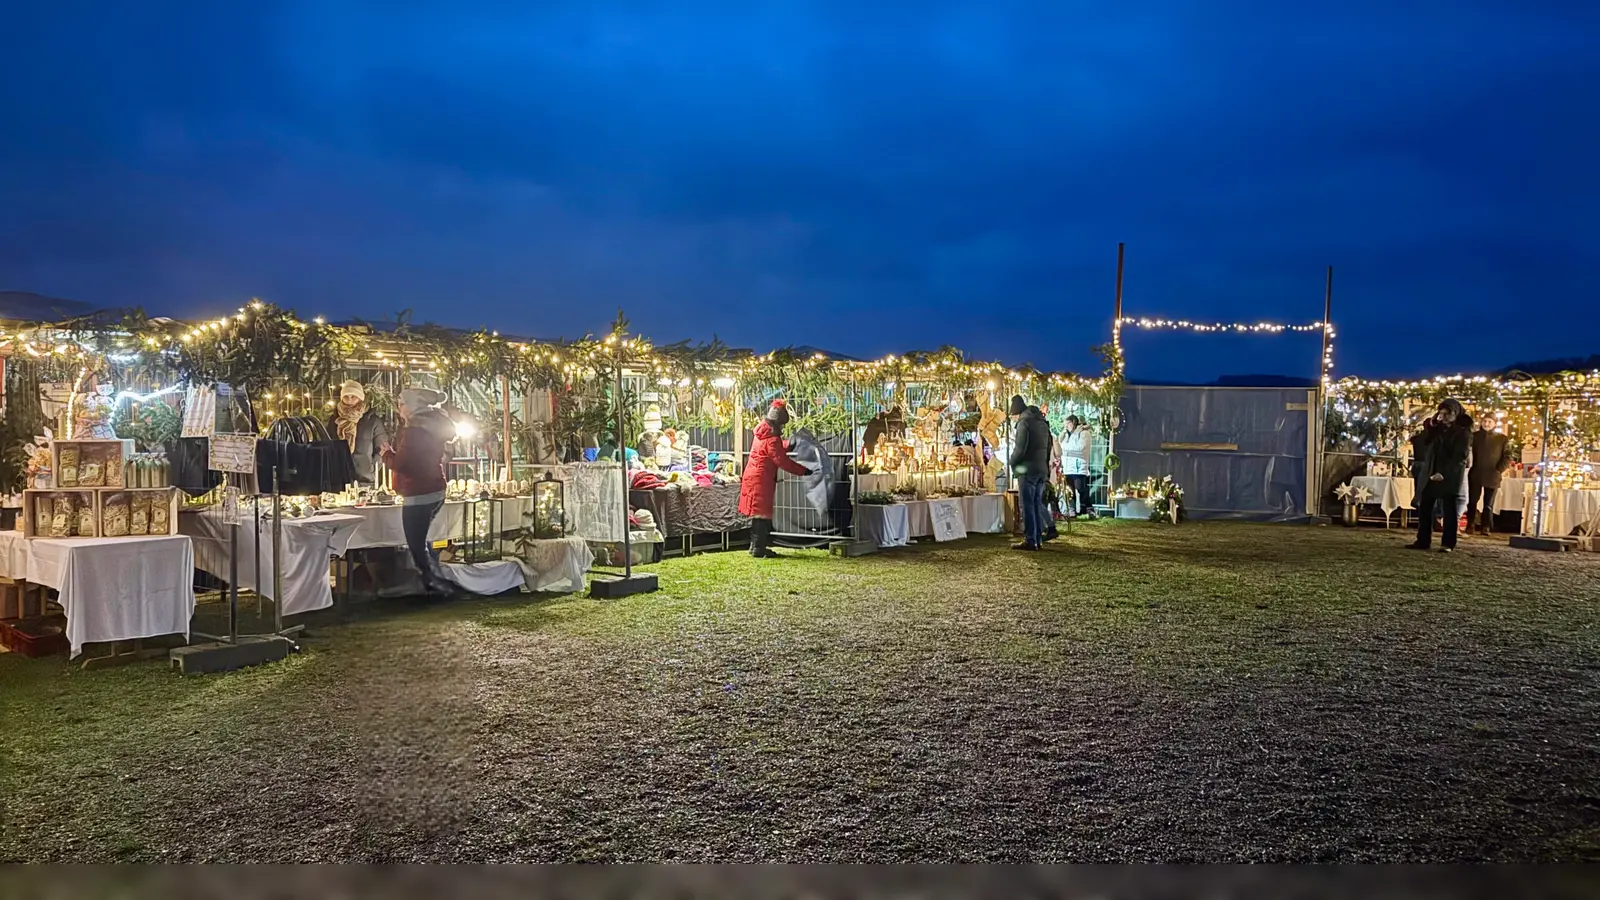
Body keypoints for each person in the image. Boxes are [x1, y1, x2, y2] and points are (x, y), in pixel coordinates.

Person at [381, 387, 454, 594]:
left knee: (416, 542)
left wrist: (387, 454)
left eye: (401, 404)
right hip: (434, 488)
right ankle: (430, 581)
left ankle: (434, 584)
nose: (399, 408)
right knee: (423, 539)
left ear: (412, 406)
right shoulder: (434, 426)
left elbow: (403, 464)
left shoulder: (414, 431)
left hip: (418, 492)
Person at [739, 400, 813, 558]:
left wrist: (788, 444)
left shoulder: (763, 433)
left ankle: (755, 547)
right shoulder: (771, 438)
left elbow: (773, 448)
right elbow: (781, 460)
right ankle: (759, 548)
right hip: (761, 479)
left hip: (755, 477)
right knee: (762, 514)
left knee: (759, 514)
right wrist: (804, 471)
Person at [1409, 398, 1473, 553]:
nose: (1444, 417)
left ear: (1455, 414)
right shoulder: (1439, 428)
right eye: (1441, 413)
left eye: (1447, 414)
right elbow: (1426, 441)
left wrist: (1443, 473)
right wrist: (1431, 427)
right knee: (1425, 506)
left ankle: (1448, 543)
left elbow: (1460, 456)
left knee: (1449, 509)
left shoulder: (1463, 431)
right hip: (1432, 470)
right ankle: (1423, 539)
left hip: (1449, 474)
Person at [1008, 395, 1053, 550]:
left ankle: (1030, 540)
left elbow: (1020, 449)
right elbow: (1049, 446)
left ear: (1017, 413)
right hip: (1041, 469)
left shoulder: (1024, 423)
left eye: (1013, 416)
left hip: (1028, 470)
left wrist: (1012, 462)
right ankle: (1038, 539)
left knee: (1027, 505)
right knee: (1036, 504)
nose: (1014, 419)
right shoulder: (1042, 422)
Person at [327, 380, 391, 485]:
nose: (350, 399)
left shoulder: (372, 420)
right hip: (339, 477)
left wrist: (372, 470)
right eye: (346, 396)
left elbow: (381, 448)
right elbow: (329, 445)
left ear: (360, 398)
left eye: (353, 396)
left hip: (365, 479)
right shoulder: (334, 419)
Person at [1468, 419, 1513, 535]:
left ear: (1494, 423)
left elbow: (1507, 455)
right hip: (1476, 473)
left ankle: (1486, 526)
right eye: (1484, 421)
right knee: (1472, 501)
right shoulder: (1474, 437)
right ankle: (1470, 524)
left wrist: (1499, 469)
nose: (1486, 424)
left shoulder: (1502, 439)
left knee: (1488, 504)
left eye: (1489, 421)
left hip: (1493, 474)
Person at [1061, 415, 1097, 519]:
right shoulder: (1068, 435)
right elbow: (1061, 445)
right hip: (1068, 467)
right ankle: (1072, 510)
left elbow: (1080, 448)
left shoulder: (1084, 434)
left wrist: (1065, 449)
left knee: (1081, 489)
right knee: (1070, 490)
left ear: (1073, 423)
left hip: (1078, 467)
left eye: (1068, 423)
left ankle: (1089, 508)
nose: (1066, 426)